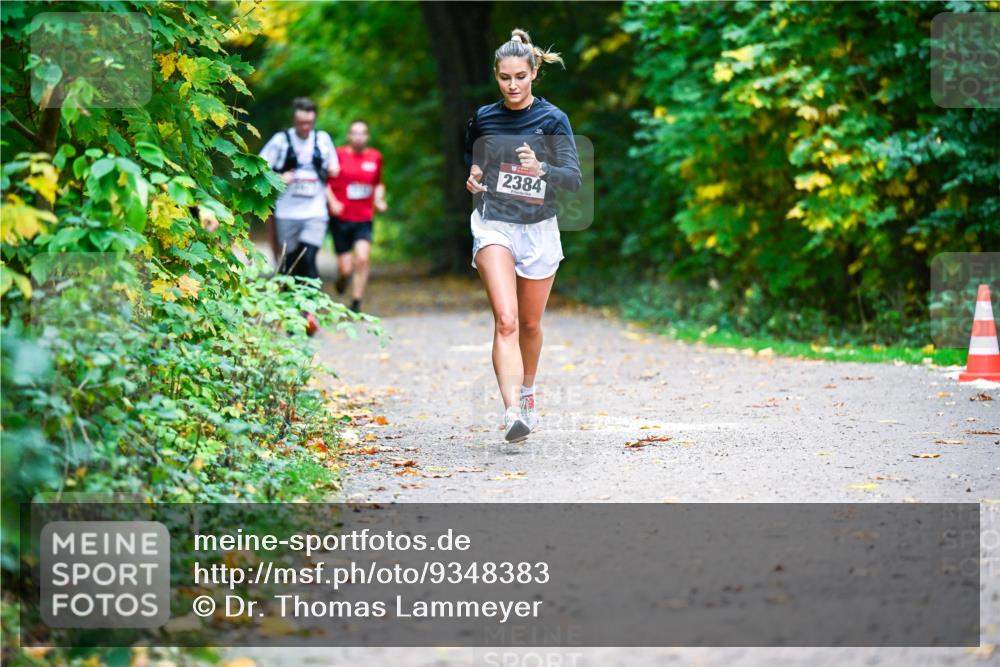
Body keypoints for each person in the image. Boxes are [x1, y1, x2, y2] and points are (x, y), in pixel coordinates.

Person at [464, 28, 582, 442]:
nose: (512, 85)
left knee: (530, 324)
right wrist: (475, 177)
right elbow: (475, 161)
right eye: (504, 78)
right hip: (494, 223)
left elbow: (574, 180)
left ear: (534, 72)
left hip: (539, 230)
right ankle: (512, 410)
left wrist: (543, 169)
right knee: (507, 321)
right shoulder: (483, 117)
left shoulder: (553, 120)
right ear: (496, 76)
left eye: (520, 76)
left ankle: (528, 393)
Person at [259, 97, 340, 332]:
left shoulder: (322, 139)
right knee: (290, 263)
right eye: (301, 123)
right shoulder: (281, 141)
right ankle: (293, 314)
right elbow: (259, 167)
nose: (305, 128)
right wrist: (278, 177)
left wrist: (332, 170)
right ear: (294, 120)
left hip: (315, 211)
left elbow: (334, 166)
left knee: (309, 257)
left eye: (309, 123)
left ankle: (310, 312)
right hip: (287, 212)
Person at [326, 120, 387, 313]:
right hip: (341, 218)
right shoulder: (338, 155)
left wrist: (378, 199)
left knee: (362, 259)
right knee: (346, 269)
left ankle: (356, 303)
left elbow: (378, 183)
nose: (358, 137)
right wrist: (333, 202)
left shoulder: (375, 157)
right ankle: (343, 279)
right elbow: (324, 182)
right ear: (349, 136)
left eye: (362, 133)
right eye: (354, 133)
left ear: (367, 136)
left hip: (364, 218)